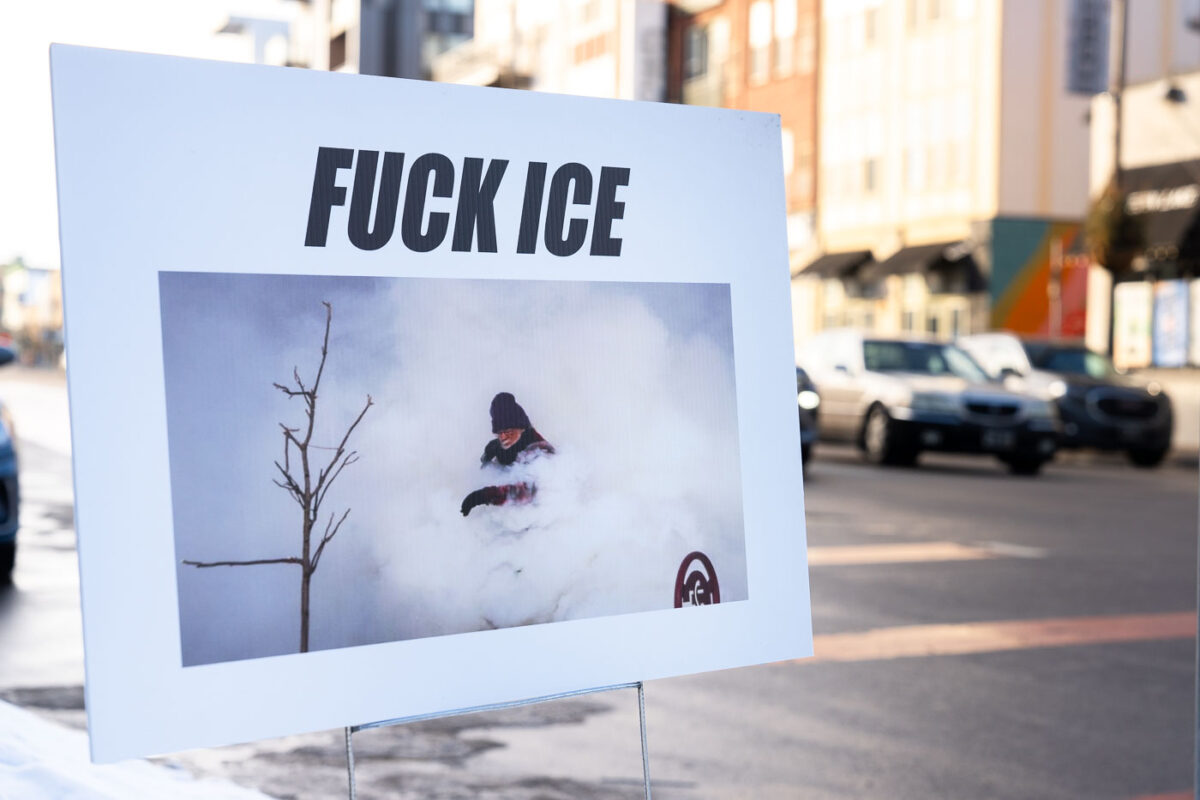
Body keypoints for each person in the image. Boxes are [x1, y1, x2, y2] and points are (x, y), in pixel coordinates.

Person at [460, 392, 555, 516]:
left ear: (521, 428)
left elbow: (528, 491)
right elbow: (488, 476)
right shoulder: (502, 447)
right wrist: (487, 463)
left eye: (508, 431)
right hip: (510, 518)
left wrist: (484, 496)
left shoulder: (540, 449)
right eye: (499, 432)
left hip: (542, 520)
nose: (503, 437)